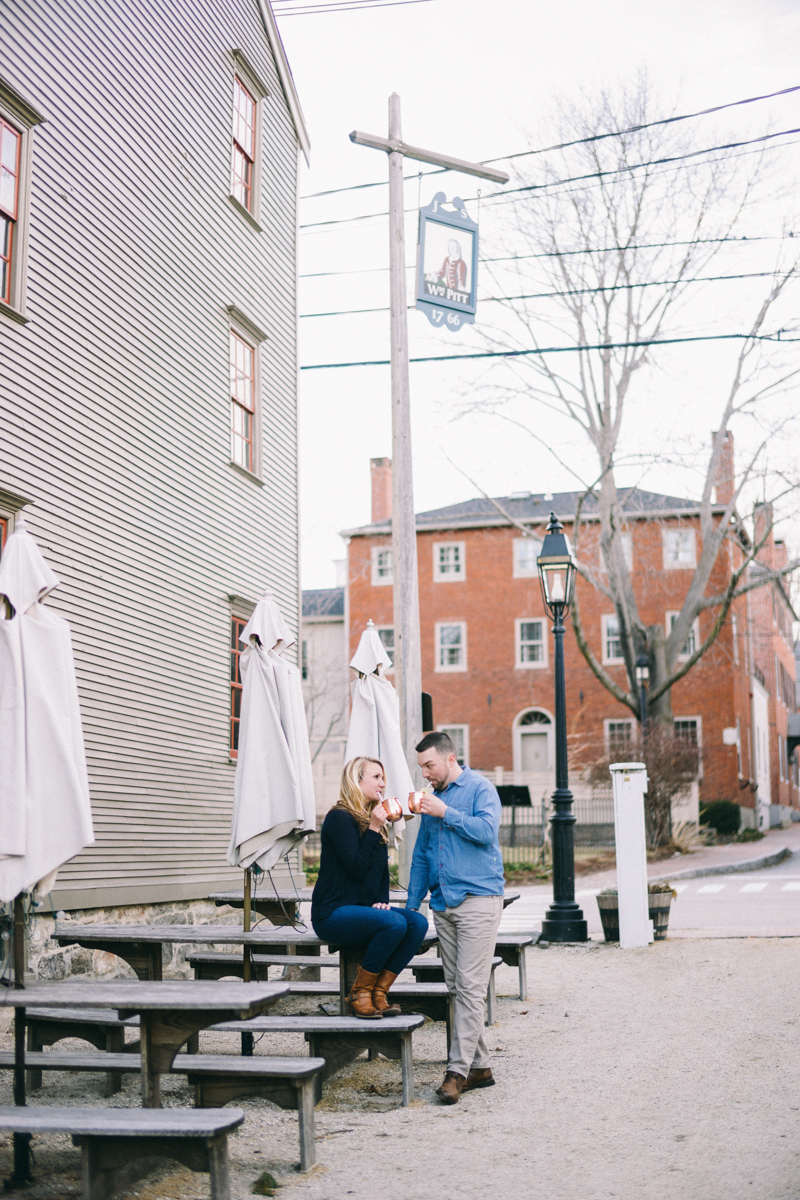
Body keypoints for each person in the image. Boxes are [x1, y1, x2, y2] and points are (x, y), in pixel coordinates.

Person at [407, 731, 505, 1104]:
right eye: (421, 768)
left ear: (450, 759)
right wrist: (412, 906)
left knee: (469, 987)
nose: (425, 774)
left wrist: (445, 812)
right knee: (457, 988)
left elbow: (486, 832)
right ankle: (479, 1066)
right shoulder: (431, 800)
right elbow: (421, 855)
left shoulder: (481, 788)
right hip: (442, 904)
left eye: (429, 765)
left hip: (479, 899)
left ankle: (456, 1071)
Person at [311, 756, 428, 1019]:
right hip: (332, 913)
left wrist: (381, 900)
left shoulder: (370, 819)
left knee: (417, 924)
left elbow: (379, 870)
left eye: (383, 778)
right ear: (357, 780)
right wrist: (375, 828)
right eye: (376, 777)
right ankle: (359, 992)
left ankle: (379, 992)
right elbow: (355, 867)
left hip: (360, 909)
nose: (383, 784)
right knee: (394, 924)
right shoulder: (339, 818)